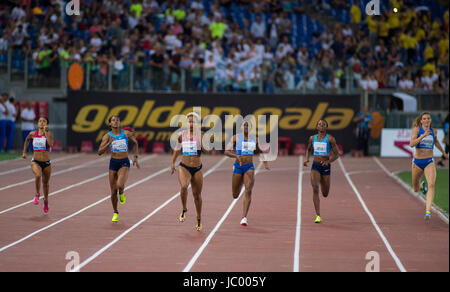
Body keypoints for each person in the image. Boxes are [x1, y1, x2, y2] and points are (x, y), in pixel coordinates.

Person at [224, 121, 270, 226]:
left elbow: (261, 151)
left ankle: (244, 217)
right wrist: (235, 156)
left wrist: (265, 162)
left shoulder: (255, 139)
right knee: (235, 195)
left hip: (249, 167)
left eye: (248, 126)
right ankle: (239, 183)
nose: (246, 127)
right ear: (241, 127)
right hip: (238, 167)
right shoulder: (235, 138)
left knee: (248, 189)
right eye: (244, 125)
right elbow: (226, 151)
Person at [171, 112, 210, 231]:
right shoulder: (181, 135)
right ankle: (184, 209)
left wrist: (202, 141)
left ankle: (198, 217)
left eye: (194, 122)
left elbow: (207, 151)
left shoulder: (202, 134)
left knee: (197, 195)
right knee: (184, 186)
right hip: (184, 166)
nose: (191, 123)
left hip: (197, 168)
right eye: (189, 121)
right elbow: (177, 149)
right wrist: (173, 162)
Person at [98, 115, 140, 222]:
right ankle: (115, 212)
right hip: (113, 163)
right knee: (112, 191)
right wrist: (109, 143)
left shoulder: (126, 133)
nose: (116, 121)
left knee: (119, 185)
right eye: (113, 120)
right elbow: (99, 152)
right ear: (110, 124)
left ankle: (121, 192)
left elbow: (135, 143)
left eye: (117, 120)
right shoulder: (107, 136)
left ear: (119, 123)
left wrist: (135, 157)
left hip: (124, 162)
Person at [409, 112, 448, 220]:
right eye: (424, 118)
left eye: (428, 118)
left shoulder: (433, 131)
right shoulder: (417, 129)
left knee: (431, 184)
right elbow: (411, 144)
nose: (426, 120)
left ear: (430, 120)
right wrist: (422, 136)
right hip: (417, 162)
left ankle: (428, 211)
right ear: (421, 121)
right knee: (416, 188)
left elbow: (436, 142)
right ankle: (421, 186)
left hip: (429, 161)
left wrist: (444, 153)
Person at [303, 119, 340, 223]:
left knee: (325, 193)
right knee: (315, 188)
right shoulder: (312, 138)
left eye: (323, 124)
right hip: (315, 165)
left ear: (326, 127)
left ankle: (323, 182)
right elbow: (308, 149)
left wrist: (328, 161)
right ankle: (318, 215)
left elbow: (337, 155)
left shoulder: (330, 139)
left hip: (325, 167)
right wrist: (306, 159)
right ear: (317, 127)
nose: (321, 126)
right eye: (319, 124)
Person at [22, 117, 54, 213]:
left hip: (47, 163)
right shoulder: (33, 134)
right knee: (38, 175)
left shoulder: (49, 134)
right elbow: (27, 140)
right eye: (40, 121)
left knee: (46, 184)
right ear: (37, 123)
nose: (41, 122)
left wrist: (46, 132)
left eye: (44, 121)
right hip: (35, 161)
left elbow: (50, 144)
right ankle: (37, 194)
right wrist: (24, 152)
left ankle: (46, 201)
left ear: (47, 124)